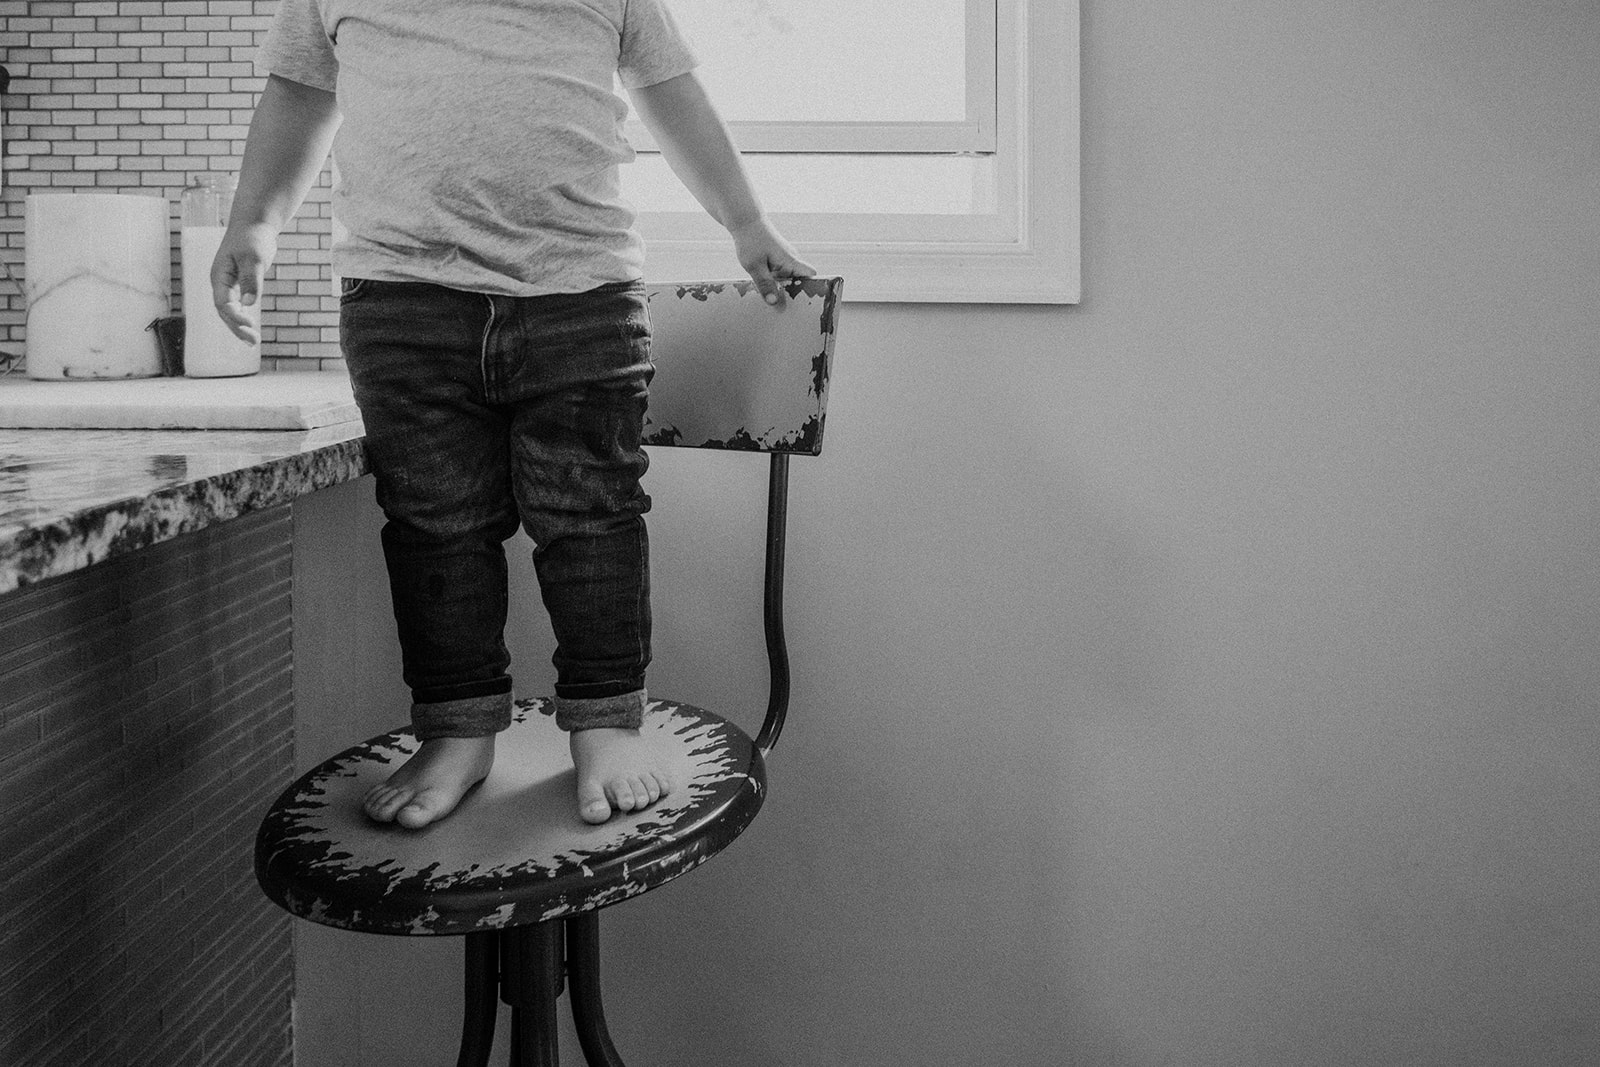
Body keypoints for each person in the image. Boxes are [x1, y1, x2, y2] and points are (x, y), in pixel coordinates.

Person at [214, 0, 815, 828]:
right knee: (435, 525)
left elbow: (672, 91)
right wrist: (254, 220)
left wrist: (746, 221)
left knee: (590, 517)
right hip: (402, 303)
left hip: (581, 298)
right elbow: (298, 92)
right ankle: (458, 729)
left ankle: (605, 719)